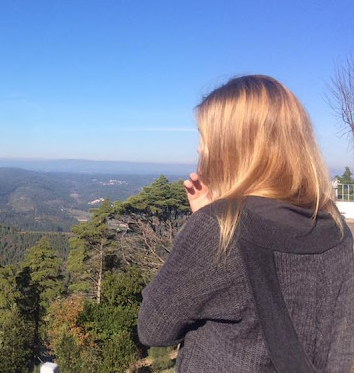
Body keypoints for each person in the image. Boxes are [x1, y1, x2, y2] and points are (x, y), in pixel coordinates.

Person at [137, 75, 354, 372]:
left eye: (205, 137)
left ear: (232, 146)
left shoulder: (218, 229)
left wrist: (206, 221)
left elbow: (153, 328)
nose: (199, 149)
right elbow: (341, 346)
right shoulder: (336, 230)